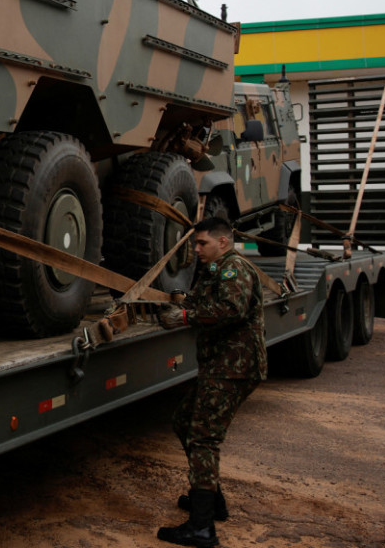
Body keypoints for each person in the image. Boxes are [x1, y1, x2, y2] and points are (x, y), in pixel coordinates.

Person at [154, 217, 267, 547]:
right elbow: (200, 302)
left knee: (203, 437)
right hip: (222, 366)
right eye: (195, 243)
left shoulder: (234, 268)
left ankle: (202, 527)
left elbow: (232, 309)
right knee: (184, 421)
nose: (196, 249)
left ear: (223, 242)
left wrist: (185, 317)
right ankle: (211, 500)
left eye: (202, 243)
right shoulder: (214, 271)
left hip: (234, 367)